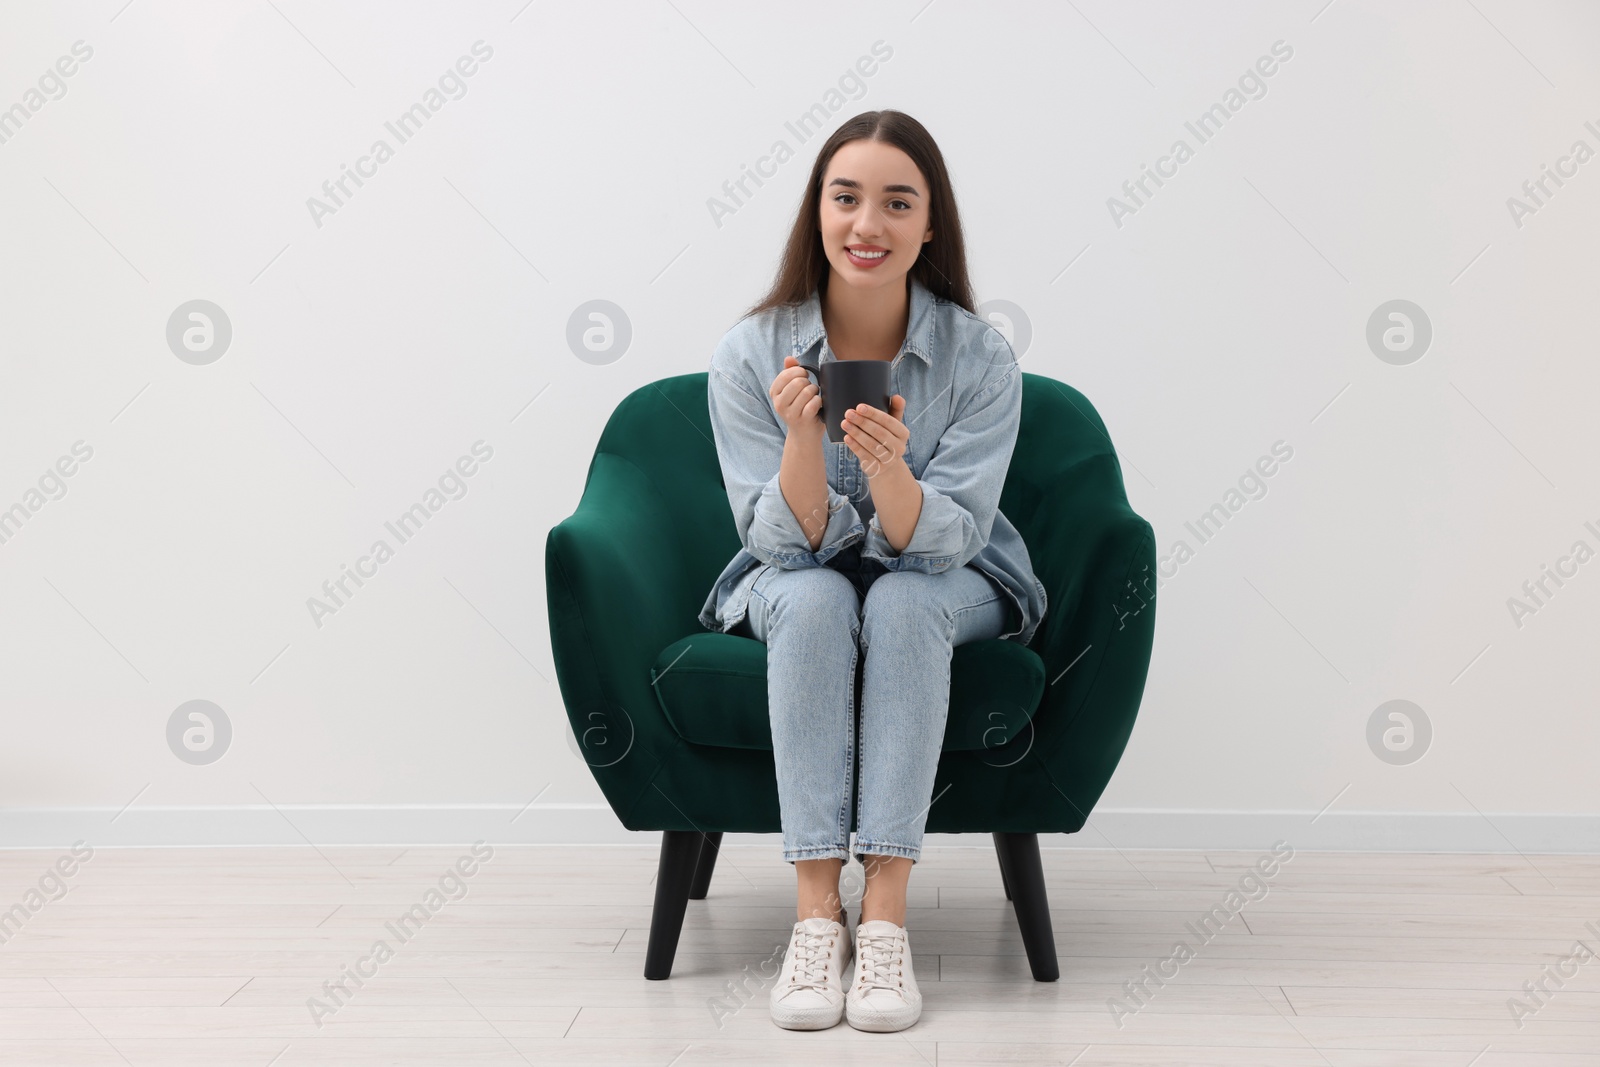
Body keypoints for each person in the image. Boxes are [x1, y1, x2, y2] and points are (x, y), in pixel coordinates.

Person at [697, 109, 1048, 1033]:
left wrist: (891, 469)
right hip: (798, 563)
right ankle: (818, 914)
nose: (868, 225)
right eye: (846, 198)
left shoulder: (979, 357)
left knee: (899, 598)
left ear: (930, 225)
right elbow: (785, 547)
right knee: (814, 597)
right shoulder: (748, 353)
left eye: (898, 203)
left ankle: (884, 916)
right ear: (818, 210)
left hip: (949, 572)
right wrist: (803, 439)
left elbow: (947, 542)